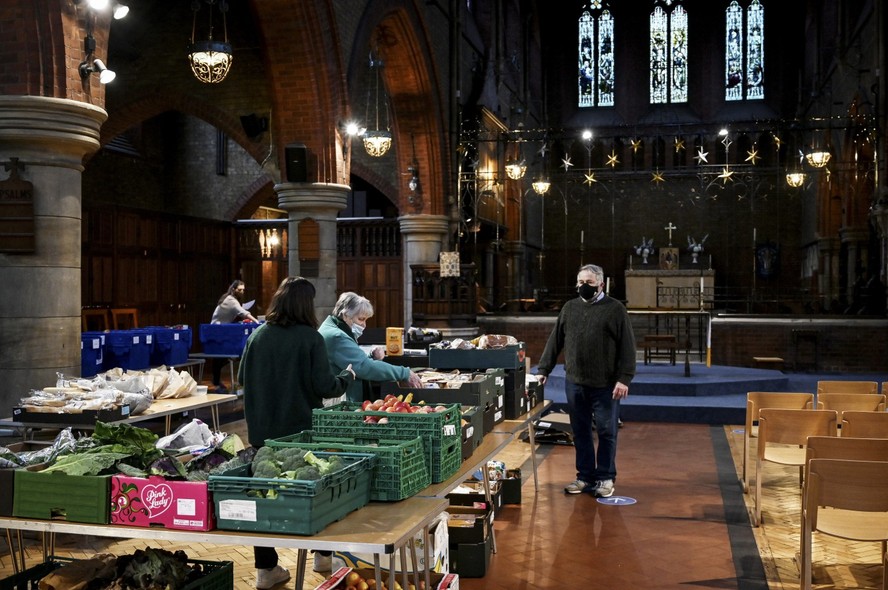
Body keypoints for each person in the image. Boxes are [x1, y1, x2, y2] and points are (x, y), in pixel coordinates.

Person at [238, 276, 356, 587]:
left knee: (263, 498)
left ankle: (265, 570)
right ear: (306, 305)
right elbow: (324, 385)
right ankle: (322, 556)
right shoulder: (310, 338)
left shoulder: (257, 336)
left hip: (262, 432)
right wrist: (348, 376)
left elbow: (241, 378)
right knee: (316, 493)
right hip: (301, 433)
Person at [536, 264, 636, 498]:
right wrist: (544, 368)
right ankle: (584, 477)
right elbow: (555, 340)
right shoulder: (569, 308)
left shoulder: (615, 309)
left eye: (589, 283)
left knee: (606, 431)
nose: (584, 287)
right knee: (580, 432)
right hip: (576, 382)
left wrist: (624, 379)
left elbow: (627, 347)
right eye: (580, 282)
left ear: (601, 284)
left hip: (606, 384)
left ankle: (605, 478)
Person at [319, 292, 423, 403]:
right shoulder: (337, 336)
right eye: (361, 319)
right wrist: (404, 373)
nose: (364, 325)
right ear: (345, 316)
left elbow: (350, 360)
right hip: (339, 401)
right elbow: (363, 366)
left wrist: (371, 356)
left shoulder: (333, 328)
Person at [209, 280, 258, 393]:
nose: (241, 292)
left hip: (221, 330)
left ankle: (216, 381)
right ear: (233, 289)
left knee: (220, 358)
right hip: (217, 330)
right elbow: (242, 312)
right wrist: (255, 321)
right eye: (239, 290)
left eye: (243, 290)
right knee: (221, 357)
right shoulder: (230, 299)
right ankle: (218, 382)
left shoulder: (231, 299)